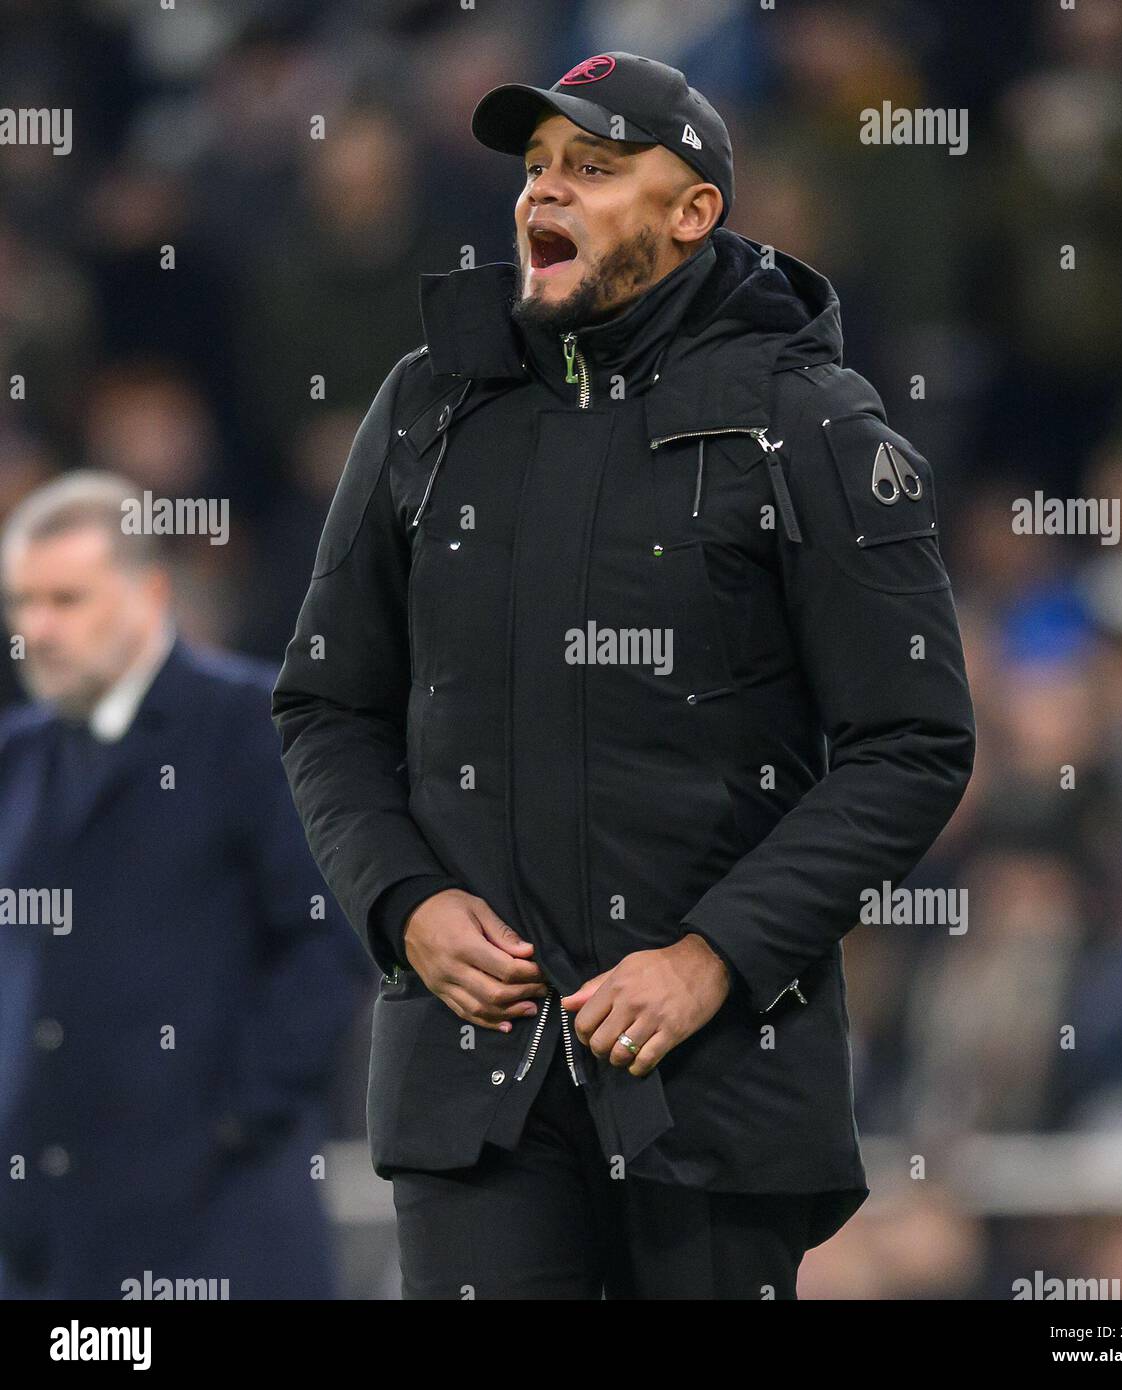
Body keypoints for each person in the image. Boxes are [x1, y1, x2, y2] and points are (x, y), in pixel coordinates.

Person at [273, 51, 975, 1299]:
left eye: (593, 170)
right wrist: (401, 901)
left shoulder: (808, 420)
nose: (544, 194)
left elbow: (913, 743)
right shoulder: (428, 405)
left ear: (693, 212)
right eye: (535, 169)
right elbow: (327, 702)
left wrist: (714, 955)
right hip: (474, 1080)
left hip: (714, 1084)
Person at [0, 471, 371, 1299]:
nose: (37, 631)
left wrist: (233, 1117)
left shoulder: (250, 728)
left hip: (217, 1229)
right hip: (48, 1241)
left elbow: (329, 936)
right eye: (21, 604)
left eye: (66, 600)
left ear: (150, 589)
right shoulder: (19, 759)